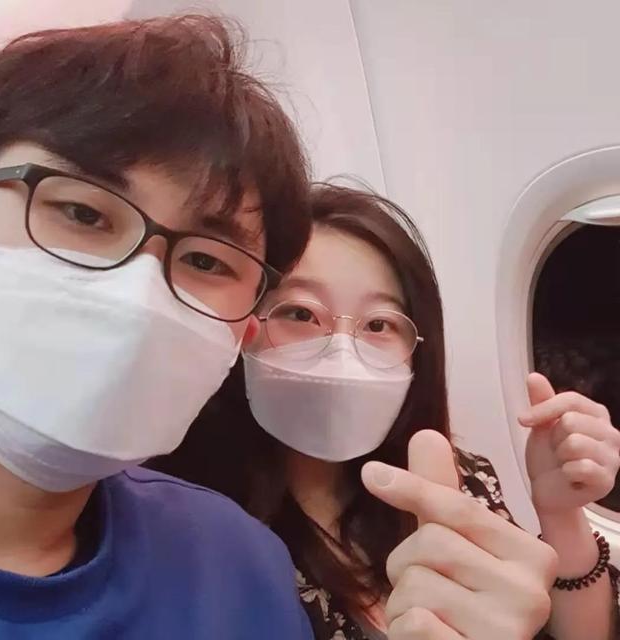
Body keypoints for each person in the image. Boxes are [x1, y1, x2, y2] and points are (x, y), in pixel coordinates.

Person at [152, 183, 620, 640]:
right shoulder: (189, 529)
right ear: (246, 326)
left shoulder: (457, 479)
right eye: (300, 313)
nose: (342, 353)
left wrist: (561, 513)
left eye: (378, 324)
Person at [0, 14, 316, 639]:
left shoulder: (238, 566)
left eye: (207, 262)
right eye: (82, 212)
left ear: (243, 331)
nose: (137, 296)